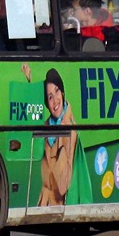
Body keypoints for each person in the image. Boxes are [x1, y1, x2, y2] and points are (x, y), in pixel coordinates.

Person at [23, 64, 76, 206]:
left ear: (63, 93)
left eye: (57, 91)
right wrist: (30, 81)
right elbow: (32, 116)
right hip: (46, 204)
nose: (55, 101)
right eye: (50, 97)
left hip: (60, 205)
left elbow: (65, 183)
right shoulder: (47, 126)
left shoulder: (68, 127)